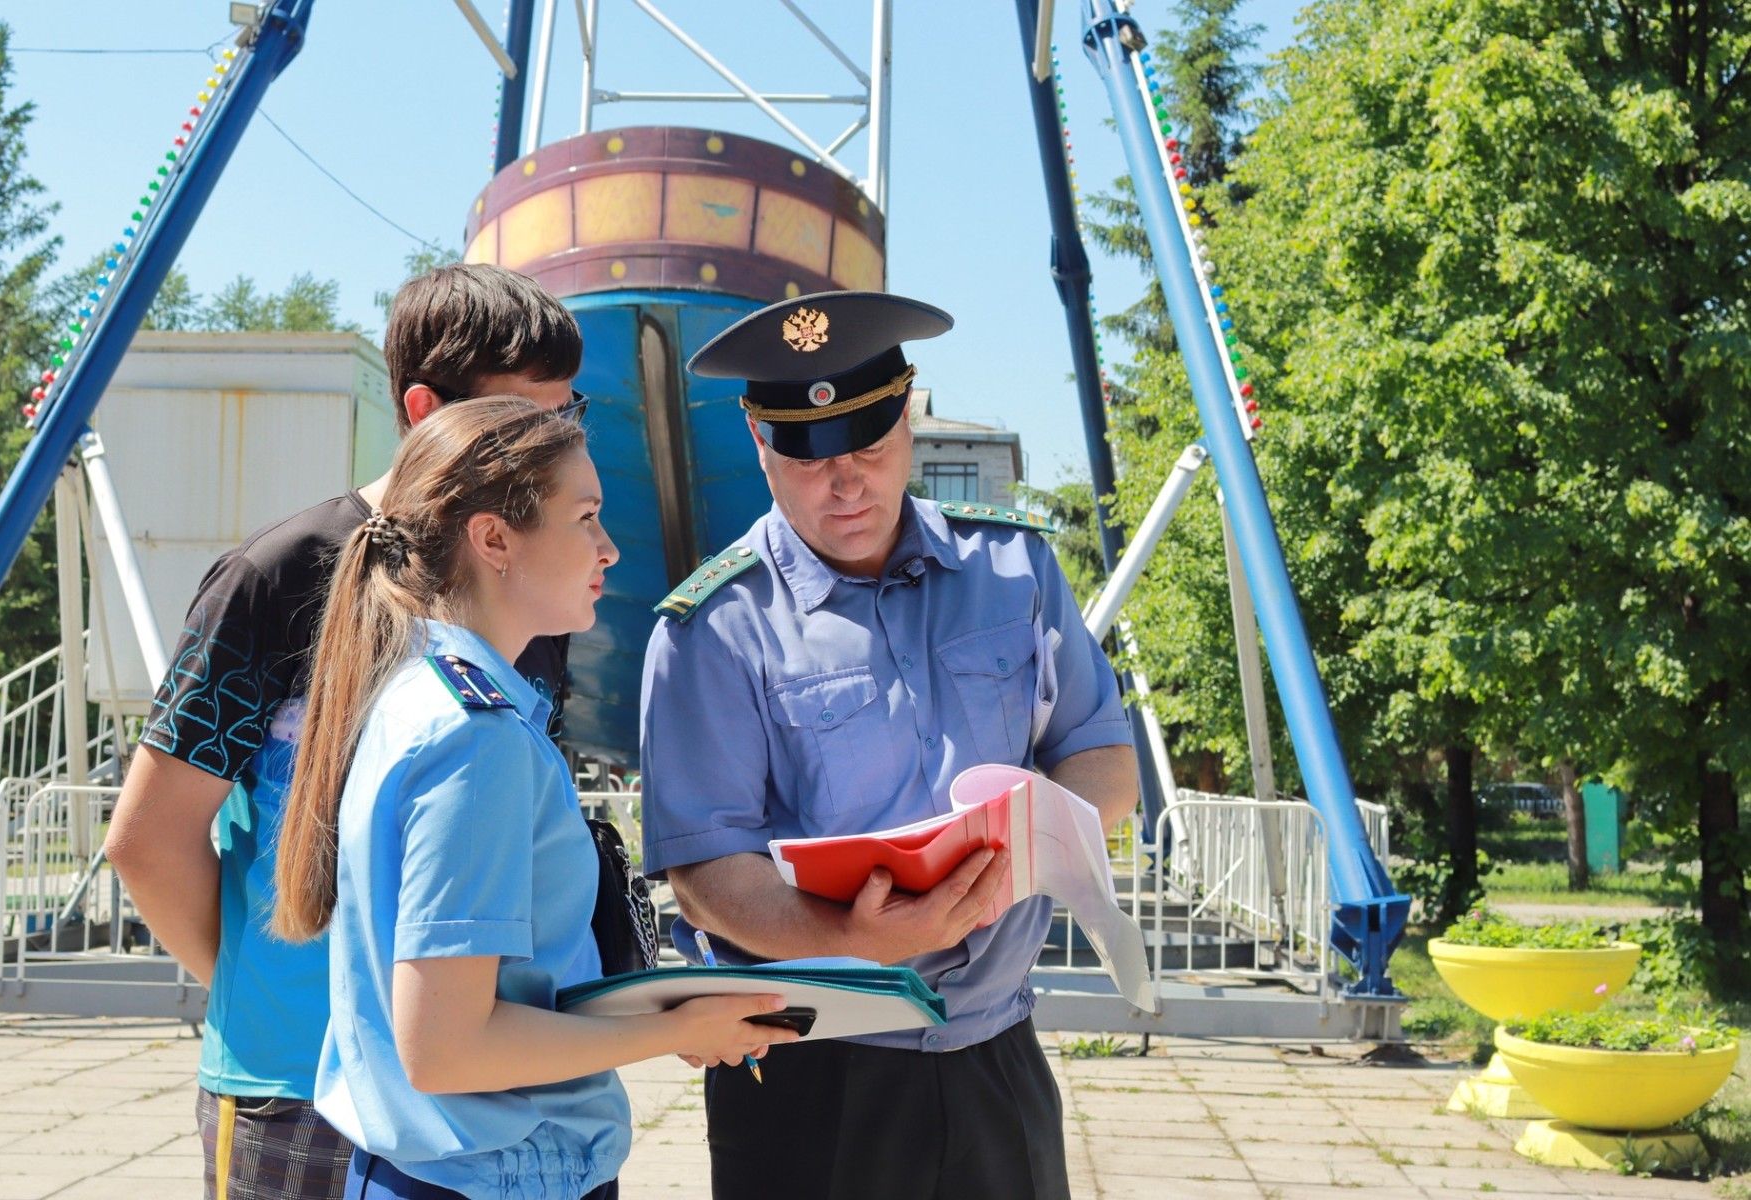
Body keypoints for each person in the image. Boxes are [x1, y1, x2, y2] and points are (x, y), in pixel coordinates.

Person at [638, 290, 1141, 1199]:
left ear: (909, 417)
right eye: (809, 460)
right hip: (808, 1072)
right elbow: (707, 875)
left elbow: (1102, 760)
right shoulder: (711, 630)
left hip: (996, 1053)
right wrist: (850, 935)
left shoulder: (1016, 570)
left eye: (870, 448)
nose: (846, 485)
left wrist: (1025, 855)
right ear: (760, 443)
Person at [104, 264, 590, 1199]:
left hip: (477, 1091)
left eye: (571, 418)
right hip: (298, 1096)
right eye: (530, 423)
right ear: (422, 408)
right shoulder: (280, 575)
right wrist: (282, 1001)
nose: (560, 445)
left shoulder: (532, 580)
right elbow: (149, 839)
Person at [269, 396, 792, 1200]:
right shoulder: (473, 737)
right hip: (494, 1178)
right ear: (494, 539)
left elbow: (498, 993)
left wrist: (656, 1011)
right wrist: (678, 1030)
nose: (609, 548)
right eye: (585, 518)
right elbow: (446, 1046)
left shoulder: (419, 698)